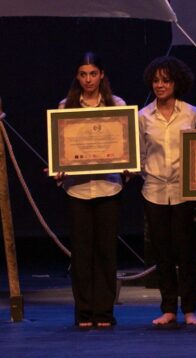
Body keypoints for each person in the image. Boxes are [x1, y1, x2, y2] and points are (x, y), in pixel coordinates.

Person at [56, 52, 126, 328]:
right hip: (78, 190)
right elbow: (61, 148)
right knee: (82, 253)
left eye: (93, 74)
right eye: (83, 74)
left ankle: (104, 312)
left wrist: (127, 164)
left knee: (106, 252)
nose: (88, 79)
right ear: (77, 76)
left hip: (108, 186)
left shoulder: (116, 104)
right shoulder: (66, 106)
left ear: (102, 75)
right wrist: (58, 167)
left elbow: (124, 144)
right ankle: (84, 312)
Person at [139, 56, 196, 326]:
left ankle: (189, 309)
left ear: (177, 82)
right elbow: (139, 154)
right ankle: (168, 308)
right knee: (162, 252)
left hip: (184, 192)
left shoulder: (192, 113)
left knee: (186, 252)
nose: (160, 85)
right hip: (153, 190)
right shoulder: (143, 116)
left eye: (166, 80)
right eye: (156, 81)